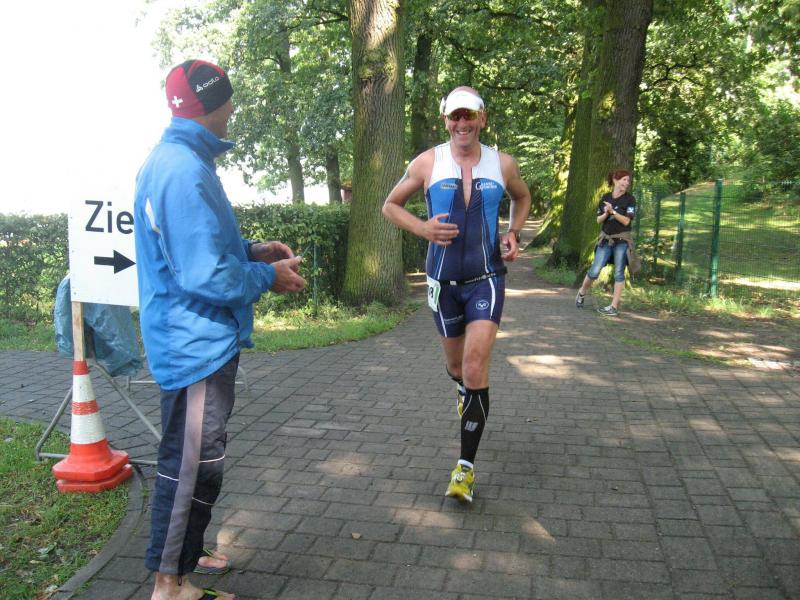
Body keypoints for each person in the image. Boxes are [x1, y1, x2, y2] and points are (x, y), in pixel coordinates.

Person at [134, 59, 305, 600]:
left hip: (195, 341)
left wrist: (253, 251)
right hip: (196, 347)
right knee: (192, 467)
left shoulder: (182, 160)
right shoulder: (183, 171)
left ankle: (183, 567)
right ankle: (169, 585)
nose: (234, 109)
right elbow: (204, 273)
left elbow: (198, 249)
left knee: (196, 463)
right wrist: (268, 276)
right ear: (213, 103)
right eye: (229, 99)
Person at [382, 86, 531, 503]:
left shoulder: (502, 163)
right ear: (445, 120)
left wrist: (514, 232)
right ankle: (463, 391)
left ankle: (464, 469)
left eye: (469, 115)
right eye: (455, 116)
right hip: (442, 282)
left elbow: (522, 196)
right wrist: (422, 228)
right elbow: (390, 205)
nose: (462, 123)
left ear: (482, 118)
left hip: (487, 277)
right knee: (455, 368)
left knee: (474, 365)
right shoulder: (427, 162)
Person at [575, 169, 640, 316]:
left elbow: (626, 221)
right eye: (623, 180)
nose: (626, 183)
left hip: (622, 241)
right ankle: (582, 292)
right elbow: (599, 220)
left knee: (619, 273)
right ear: (615, 181)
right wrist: (606, 212)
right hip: (605, 240)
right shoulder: (605, 197)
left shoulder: (630, 200)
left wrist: (613, 212)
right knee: (594, 271)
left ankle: (613, 307)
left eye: (628, 181)